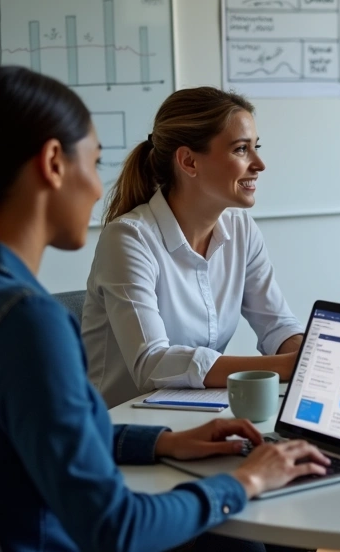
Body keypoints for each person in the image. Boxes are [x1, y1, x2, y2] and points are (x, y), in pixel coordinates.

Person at [0, 66, 329, 552]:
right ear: (53, 163)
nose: (96, 189)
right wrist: (243, 484)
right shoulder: (25, 322)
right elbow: (116, 528)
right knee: (260, 533)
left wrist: (161, 442)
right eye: (96, 161)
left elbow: (35, 440)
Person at [82, 88, 304, 408]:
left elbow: (278, 325)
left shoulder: (242, 231)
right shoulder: (128, 239)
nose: (259, 164)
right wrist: (284, 366)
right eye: (241, 149)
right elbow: (152, 363)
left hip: (195, 418)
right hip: (120, 433)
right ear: (188, 161)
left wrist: (305, 355)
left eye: (256, 147)